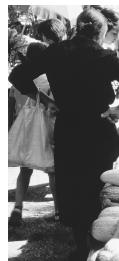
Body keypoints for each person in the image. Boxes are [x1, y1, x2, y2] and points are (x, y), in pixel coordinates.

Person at [9, 9, 119, 261]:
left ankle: (80, 244)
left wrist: (48, 102)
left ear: (77, 28)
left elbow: (18, 77)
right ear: (99, 31)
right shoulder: (103, 55)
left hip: (68, 127)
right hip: (97, 128)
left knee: (71, 183)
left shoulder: (56, 52)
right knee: (96, 184)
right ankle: (96, 243)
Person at [9, 18, 67, 227]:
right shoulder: (48, 77)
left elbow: (18, 87)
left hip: (28, 121)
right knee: (52, 169)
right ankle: (59, 211)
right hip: (47, 123)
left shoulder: (31, 77)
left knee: (25, 167)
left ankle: (17, 207)